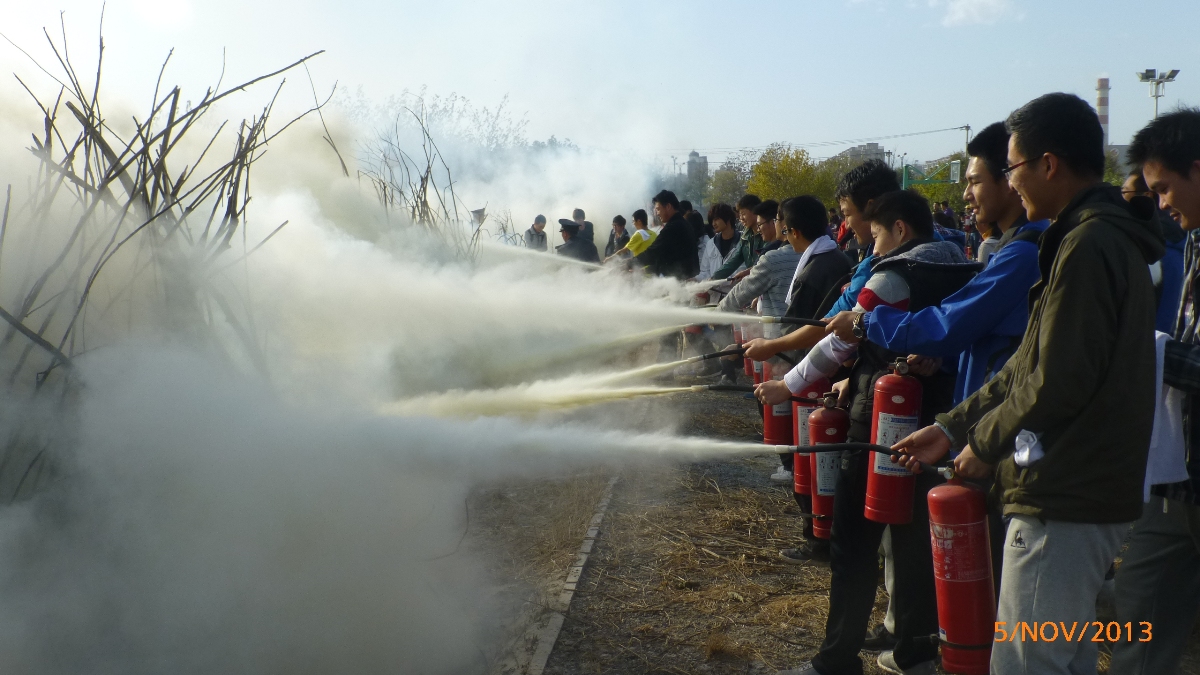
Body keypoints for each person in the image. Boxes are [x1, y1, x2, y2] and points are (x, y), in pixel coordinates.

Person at [893, 93, 1165, 675]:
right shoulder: (1081, 239)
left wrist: (984, 444)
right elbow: (1026, 364)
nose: (1010, 183)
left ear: (1047, 164)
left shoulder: (1089, 245)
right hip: (1077, 486)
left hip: (1066, 491)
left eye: (1012, 167)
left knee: (1027, 662)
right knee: (1052, 657)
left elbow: (1057, 379)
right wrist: (951, 427)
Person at [766, 190, 976, 675]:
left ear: (900, 229)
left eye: (878, 232)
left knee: (853, 543)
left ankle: (836, 659)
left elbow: (841, 340)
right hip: (939, 426)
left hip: (877, 427)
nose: (874, 244)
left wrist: (787, 384)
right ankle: (916, 653)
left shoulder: (891, 277)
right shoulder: (962, 265)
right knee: (916, 540)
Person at [1108, 107, 1200, 675]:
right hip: (1180, 474)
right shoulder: (1192, 243)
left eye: (1164, 188)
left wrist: (1151, 350)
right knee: (1139, 609)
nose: (1161, 204)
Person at [743, 160, 900, 362]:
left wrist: (776, 352)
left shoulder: (880, 263)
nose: (846, 224)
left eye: (847, 213)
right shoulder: (848, 255)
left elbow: (829, 324)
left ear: (871, 208)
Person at [771, 196, 852, 564]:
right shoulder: (837, 258)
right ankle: (826, 536)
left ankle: (817, 540)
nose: (784, 238)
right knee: (825, 464)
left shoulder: (816, 268)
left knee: (810, 463)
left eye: (785, 231)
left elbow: (800, 326)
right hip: (829, 377)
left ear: (796, 231)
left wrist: (778, 365)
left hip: (814, 382)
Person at [1123, 169, 1186, 332]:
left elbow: (1163, 322)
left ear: (1146, 196)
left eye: (1125, 192)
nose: (1121, 199)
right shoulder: (1174, 241)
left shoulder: (1160, 249)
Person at [638, 190, 700, 279]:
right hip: (682, 278)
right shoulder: (682, 223)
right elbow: (666, 258)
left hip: (681, 282)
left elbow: (653, 252)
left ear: (668, 206)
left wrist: (628, 264)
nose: (657, 213)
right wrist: (645, 270)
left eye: (658, 209)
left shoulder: (674, 226)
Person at [712, 194, 766, 280]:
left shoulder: (767, 234)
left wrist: (747, 272)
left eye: (743, 214)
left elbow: (766, 263)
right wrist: (714, 278)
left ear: (755, 211)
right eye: (740, 215)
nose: (741, 219)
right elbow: (734, 260)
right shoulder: (746, 236)